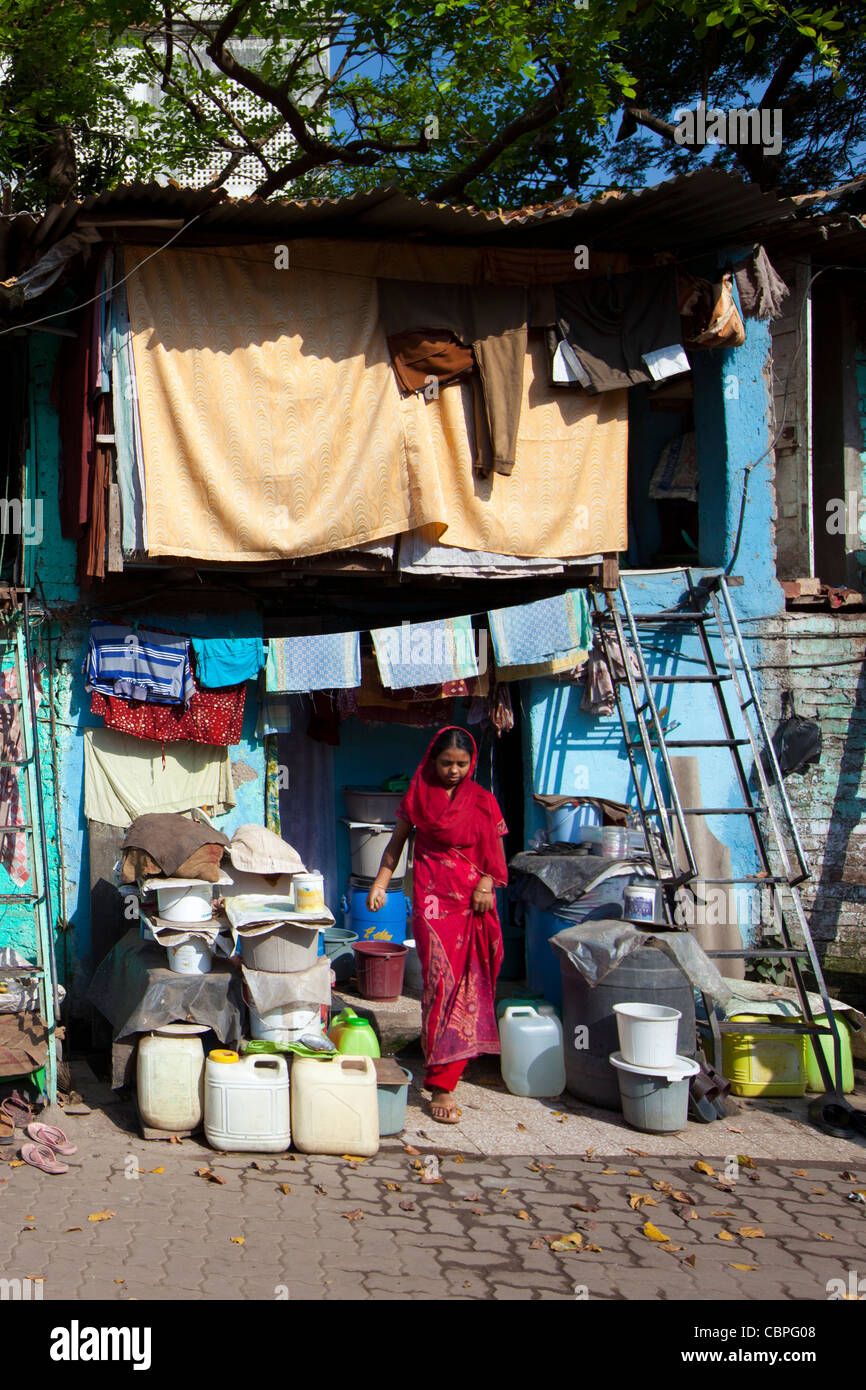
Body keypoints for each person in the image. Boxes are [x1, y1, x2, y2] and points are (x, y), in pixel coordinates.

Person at [365, 726, 508, 1124]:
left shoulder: (483, 802)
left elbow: (495, 856)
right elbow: (396, 844)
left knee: (473, 981)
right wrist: (380, 884)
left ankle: (448, 1072)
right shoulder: (418, 796)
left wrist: (485, 883)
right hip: (432, 900)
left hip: (473, 903)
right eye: (447, 763)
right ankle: (441, 1083)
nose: (454, 771)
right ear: (432, 760)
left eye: (462, 764)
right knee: (441, 983)